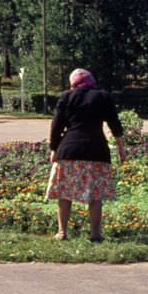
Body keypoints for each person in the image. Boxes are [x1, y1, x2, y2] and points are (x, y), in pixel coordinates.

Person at [47, 68, 126, 242]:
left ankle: (62, 232)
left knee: (64, 193)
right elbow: (115, 124)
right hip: (96, 150)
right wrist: (121, 148)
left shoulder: (66, 97)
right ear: (92, 81)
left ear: (73, 82)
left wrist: (54, 149)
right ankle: (95, 234)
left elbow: (56, 126)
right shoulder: (102, 97)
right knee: (95, 195)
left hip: (69, 150)